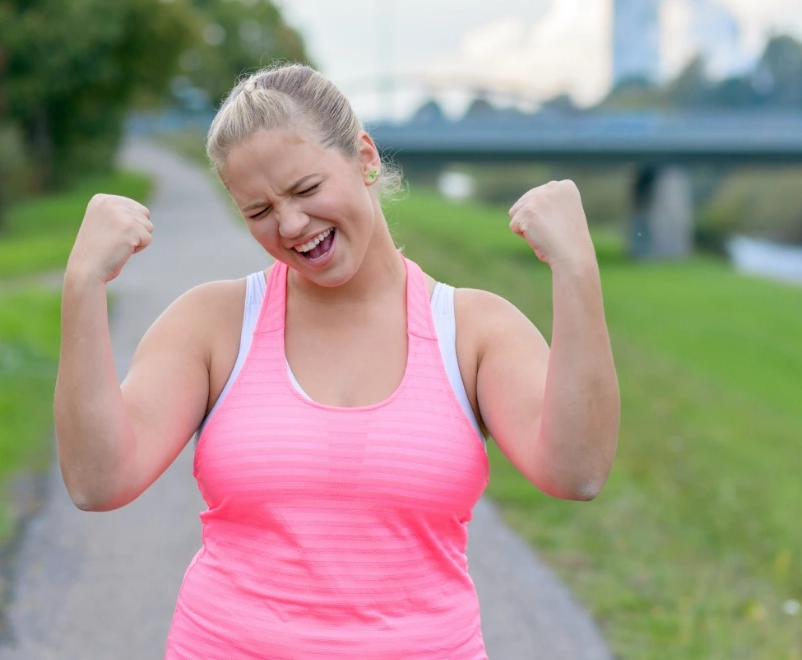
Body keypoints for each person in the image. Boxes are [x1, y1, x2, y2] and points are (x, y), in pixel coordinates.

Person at [54, 63, 621, 658]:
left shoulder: (473, 331)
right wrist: (83, 284)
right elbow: (98, 482)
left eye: (305, 189)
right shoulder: (212, 324)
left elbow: (576, 472)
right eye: (258, 211)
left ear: (365, 157)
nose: (291, 225)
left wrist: (578, 271)